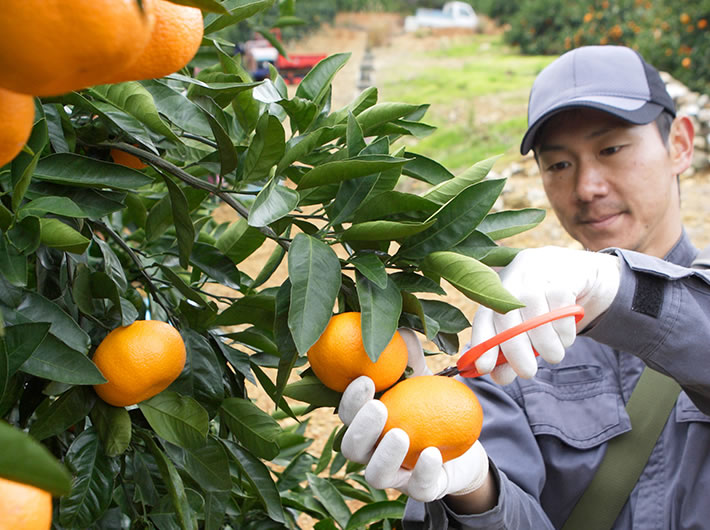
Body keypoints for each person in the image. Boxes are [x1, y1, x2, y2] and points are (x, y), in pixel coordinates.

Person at [337, 45, 710, 528]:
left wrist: (616, 288)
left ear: (680, 143)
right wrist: (474, 490)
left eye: (611, 149)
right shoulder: (516, 347)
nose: (587, 187)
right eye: (559, 164)